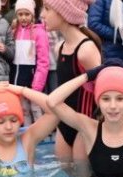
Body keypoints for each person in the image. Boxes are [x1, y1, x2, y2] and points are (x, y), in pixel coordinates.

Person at [40, 0, 101, 167]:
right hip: (64, 123)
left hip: (85, 125)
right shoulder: (59, 47)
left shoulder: (86, 50)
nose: (42, 15)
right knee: (66, 175)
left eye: (47, 9)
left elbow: (103, 91)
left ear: (63, 13)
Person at [10, 0, 50, 124]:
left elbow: (43, 61)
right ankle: (27, 133)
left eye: (26, 14)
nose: (23, 17)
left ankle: (40, 134)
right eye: (20, 14)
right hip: (17, 80)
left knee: (35, 108)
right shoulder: (13, 31)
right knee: (24, 109)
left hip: (33, 80)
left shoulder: (39, 32)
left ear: (32, 15)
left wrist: (37, 85)